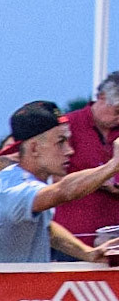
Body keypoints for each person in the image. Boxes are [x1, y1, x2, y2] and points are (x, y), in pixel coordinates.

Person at [0, 101, 119, 264]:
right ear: (34, 148)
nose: (70, 151)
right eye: (60, 142)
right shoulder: (15, 187)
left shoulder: (32, 184)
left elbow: (48, 228)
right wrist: (113, 165)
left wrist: (88, 253)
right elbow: (63, 191)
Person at [53, 72, 119, 244]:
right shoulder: (67, 126)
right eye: (117, 111)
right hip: (73, 238)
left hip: (114, 241)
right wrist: (98, 179)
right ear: (101, 97)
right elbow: (54, 177)